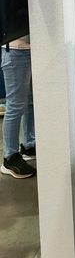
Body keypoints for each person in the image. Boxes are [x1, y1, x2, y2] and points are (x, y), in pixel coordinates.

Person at [1, 36, 36, 179]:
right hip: (15, 49)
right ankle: (10, 157)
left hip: (29, 48)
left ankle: (29, 145)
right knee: (15, 106)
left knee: (30, 102)